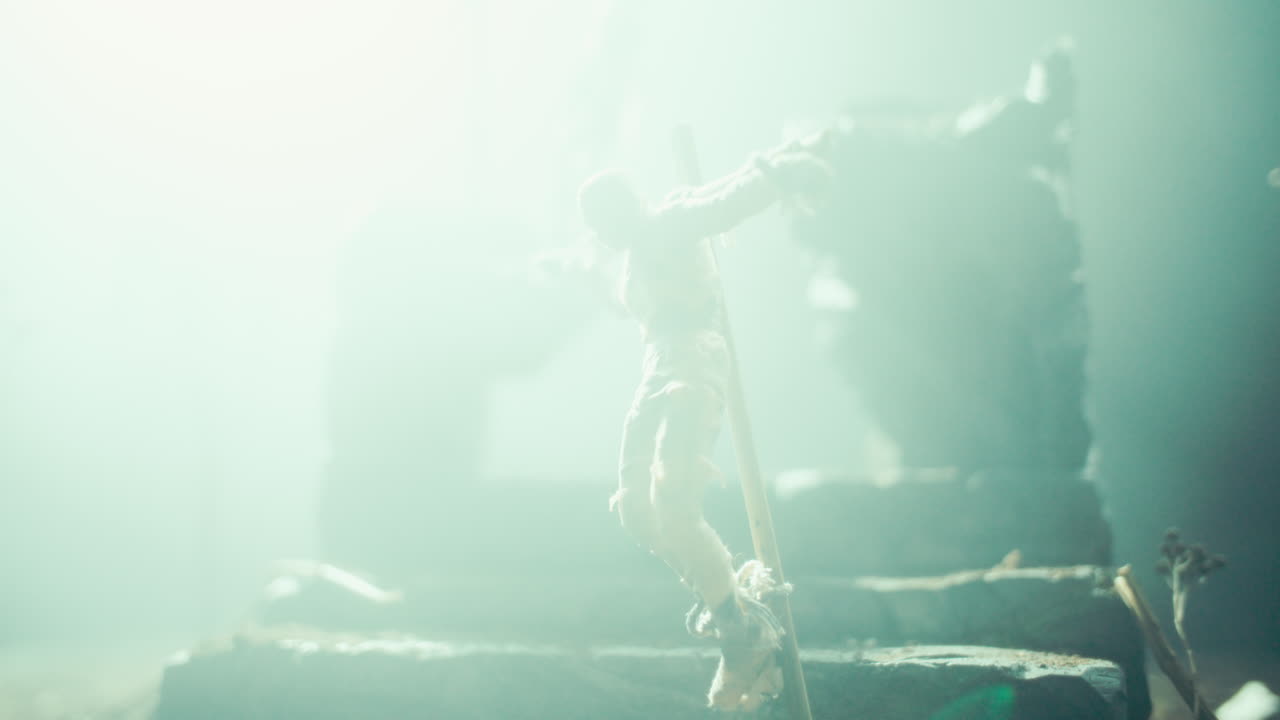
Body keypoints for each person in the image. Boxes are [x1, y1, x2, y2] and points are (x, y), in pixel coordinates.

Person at [576, 135, 830, 710]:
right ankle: (729, 605)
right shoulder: (632, 255)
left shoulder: (673, 219)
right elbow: (617, 287)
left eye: (606, 217)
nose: (605, 233)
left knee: (675, 499)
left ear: (627, 204)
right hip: (656, 367)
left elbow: (727, 202)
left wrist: (779, 172)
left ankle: (740, 632)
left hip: (693, 356)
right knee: (637, 509)